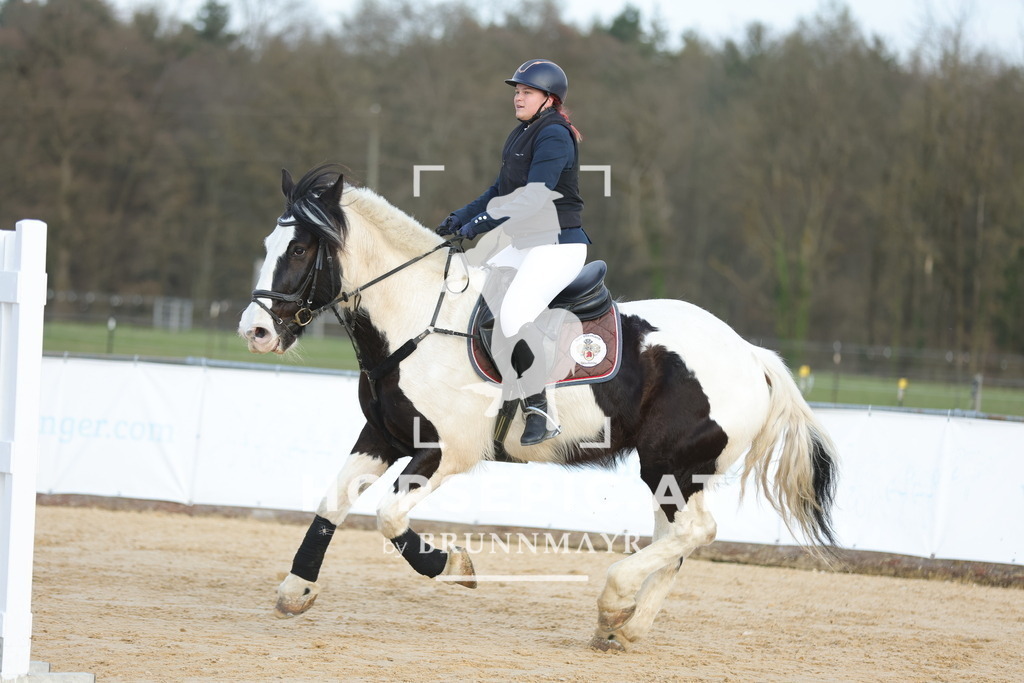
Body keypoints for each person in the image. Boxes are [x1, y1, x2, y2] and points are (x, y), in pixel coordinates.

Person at [437, 59, 589, 446]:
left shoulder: (554, 134)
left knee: (515, 311)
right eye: (516, 91)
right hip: (525, 245)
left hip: (558, 246)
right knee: (468, 287)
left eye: (526, 92)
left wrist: (480, 225)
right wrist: (460, 218)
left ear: (548, 99)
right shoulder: (522, 133)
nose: (518, 97)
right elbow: (497, 192)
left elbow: (533, 196)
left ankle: (540, 408)